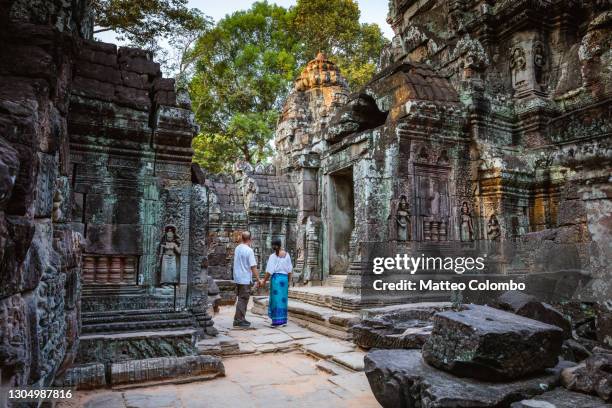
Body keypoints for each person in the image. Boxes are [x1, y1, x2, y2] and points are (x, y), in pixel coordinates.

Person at [261, 238, 293, 327]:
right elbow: (290, 270)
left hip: (276, 280)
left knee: (276, 300)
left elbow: (269, 271)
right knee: (283, 300)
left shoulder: (273, 256)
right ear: (280, 245)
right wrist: (289, 282)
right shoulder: (287, 255)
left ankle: (276, 321)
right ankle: (283, 320)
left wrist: (264, 280)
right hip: (284, 280)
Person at [232, 231, 260, 328]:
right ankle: (238, 320)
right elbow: (253, 266)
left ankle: (240, 318)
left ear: (242, 238)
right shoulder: (249, 250)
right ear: (250, 239)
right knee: (243, 299)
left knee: (241, 298)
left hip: (237, 277)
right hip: (244, 278)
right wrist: (258, 279)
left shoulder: (237, 248)